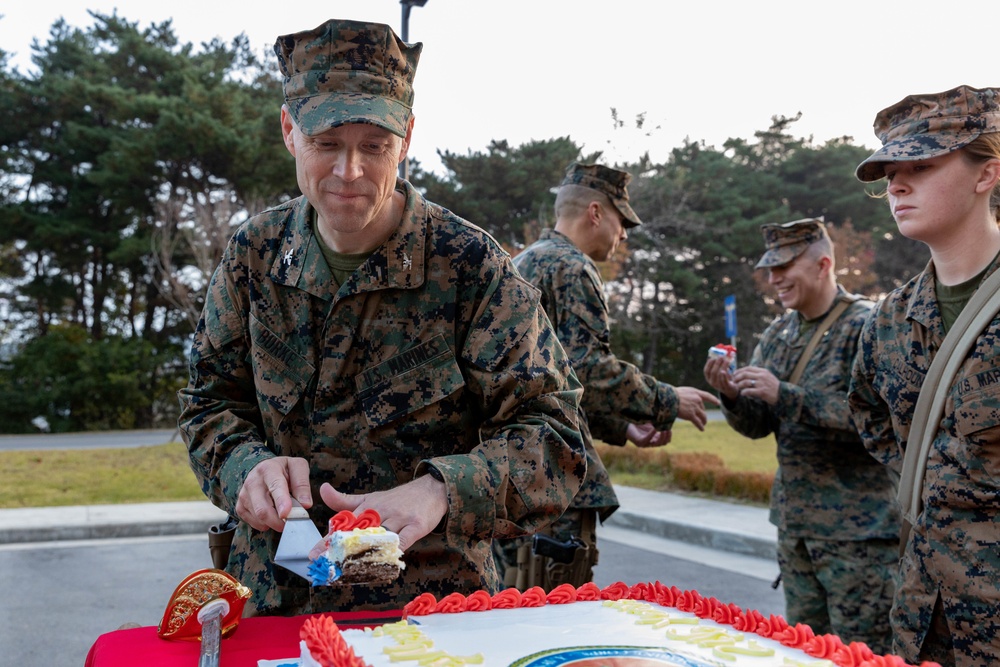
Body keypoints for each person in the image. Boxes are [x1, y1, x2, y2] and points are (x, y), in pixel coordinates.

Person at [176, 18, 587, 617]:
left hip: (430, 611)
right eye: (326, 144)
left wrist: (443, 490)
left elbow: (557, 437)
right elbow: (209, 404)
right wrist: (246, 466)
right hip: (273, 605)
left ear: (407, 137)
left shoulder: (469, 265)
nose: (349, 171)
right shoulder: (254, 257)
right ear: (290, 131)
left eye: (374, 145)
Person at [493, 163, 716, 591]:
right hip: (554, 478)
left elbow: (550, 383)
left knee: (512, 606)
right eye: (622, 221)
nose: (625, 235)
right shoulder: (572, 268)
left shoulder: (518, 263)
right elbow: (588, 370)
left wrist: (622, 424)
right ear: (596, 212)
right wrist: (669, 400)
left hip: (509, 474)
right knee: (555, 614)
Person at [849, 85, 1000, 667]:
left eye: (922, 165)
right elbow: (871, 417)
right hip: (921, 614)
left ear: (986, 174)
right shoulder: (888, 319)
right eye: (890, 171)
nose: (897, 185)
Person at [703, 218, 899, 653]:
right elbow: (758, 425)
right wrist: (732, 396)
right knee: (806, 652)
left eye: (784, 268)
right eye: (769, 270)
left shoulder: (867, 326)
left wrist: (787, 396)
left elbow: (883, 422)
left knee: (861, 654)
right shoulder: (779, 333)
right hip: (796, 530)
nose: (773, 280)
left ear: (823, 264)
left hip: (859, 536)